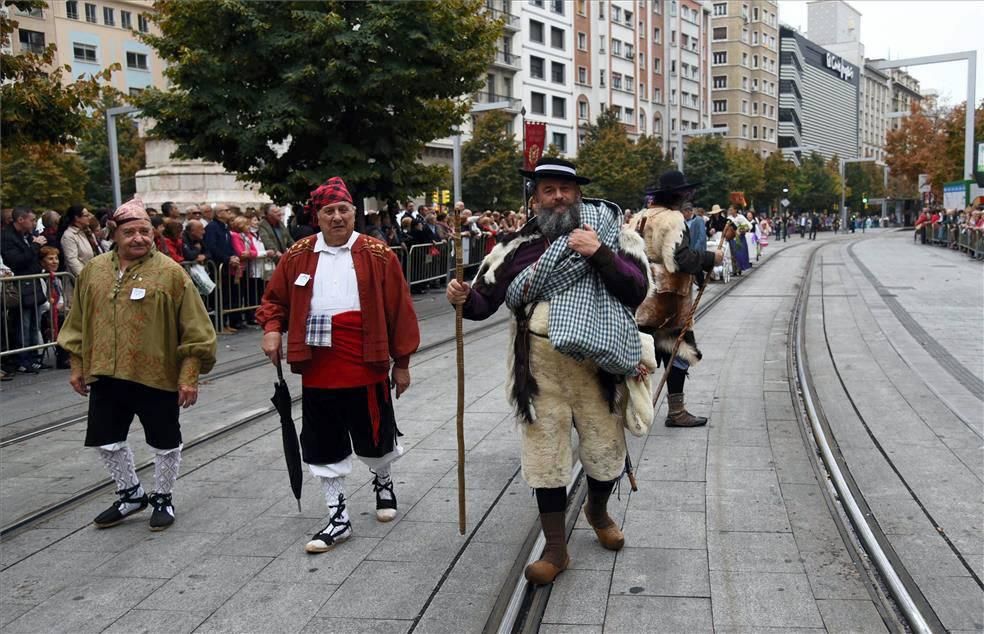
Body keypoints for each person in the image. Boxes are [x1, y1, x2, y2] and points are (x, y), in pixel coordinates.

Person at [446, 157, 651, 585]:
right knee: (545, 458)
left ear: (578, 194)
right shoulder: (514, 245)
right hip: (538, 371)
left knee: (602, 452)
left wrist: (599, 254)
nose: (557, 197)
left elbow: (636, 290)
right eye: (548, 190)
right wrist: (462, 298)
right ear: (535, 197)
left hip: (598, 367)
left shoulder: (615, 234)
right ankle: (556, 549)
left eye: (565, 189)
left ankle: (597, 510)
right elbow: (485, 302)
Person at [256, 177, 420, 554]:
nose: (336, 217)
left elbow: (400, 311)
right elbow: (274, 301)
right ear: (317, 216)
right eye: (328, 211)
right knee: (323, 442)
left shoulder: (379, 254)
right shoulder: (296, 255)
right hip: (317, 364)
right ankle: (337, 515)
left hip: (367, 360)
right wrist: (271, 330)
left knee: (375, 437)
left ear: (353, 213)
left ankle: (383, 481)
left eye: (343, 210)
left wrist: (403, 363)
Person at [57, 196, 217, 531]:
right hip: (106, 371)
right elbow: (76, 322)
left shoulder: (171, 273)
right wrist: (77, 365)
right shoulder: (94, 271)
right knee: (106, 439)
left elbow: (196, 328)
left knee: (164, 440)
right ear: (115, 234)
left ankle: (163, 497)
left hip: (156, 373)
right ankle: (130, 493)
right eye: (131, 232)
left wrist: (189, 375)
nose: (139, 238)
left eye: (145, 231)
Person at [632, 170, 723, 428]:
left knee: (641, 353)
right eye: (685, 193)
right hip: (668, 301)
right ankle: (676, 411)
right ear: (678, 196)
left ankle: (631, 411)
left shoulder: (641, 217)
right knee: (678, 352)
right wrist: (709, 259)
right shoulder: (673, 219)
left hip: (641, 297)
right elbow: (680, 259)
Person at [1, 207, 47, 372]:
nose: (34, 223)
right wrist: (34, 247)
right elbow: (16, 260)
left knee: (35, 322)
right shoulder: (7, 237)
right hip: (21, 284)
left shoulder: (27, 235)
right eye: (32, 219)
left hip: (32, 283)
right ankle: (23, 359)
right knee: (24, 323)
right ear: (21, 220)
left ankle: (34, 357)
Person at [204, 204, 243, 332]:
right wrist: (227, 258)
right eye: (226, 210)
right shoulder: (212, 227)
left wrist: (233, 256)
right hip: (217, 265)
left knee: (227, 295)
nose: (229, 212)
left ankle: (226, 323)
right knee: (219, 296)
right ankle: (219, 324)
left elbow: (229, 245)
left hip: (226, 266)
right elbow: (213, 246)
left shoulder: (225, 227)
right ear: (219, 213)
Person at [60, 206, 102, 277]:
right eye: (86, 216)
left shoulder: (88, 233)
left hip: (95, 276)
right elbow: (72, 260)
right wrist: (84, 277)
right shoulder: (69, 236)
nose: (89, 218)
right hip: (82, 281)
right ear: (77, 218)